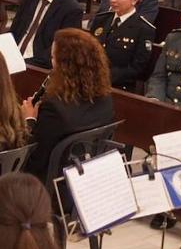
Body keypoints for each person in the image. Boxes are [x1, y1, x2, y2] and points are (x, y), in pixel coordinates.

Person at [23, 29, 115, 183]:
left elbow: (34, 161)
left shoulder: (54, 109)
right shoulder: (106, 100)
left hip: (48, 184)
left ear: (65, 66)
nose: (52, 64)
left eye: (53, 58)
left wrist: (29, 120)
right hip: (85, 176)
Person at [89, 0, 155, 91]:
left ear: (134, 0)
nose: (113, 0)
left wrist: (104, 76)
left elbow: (138, 67)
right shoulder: (101, 19)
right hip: (90, 80)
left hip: (117, 86)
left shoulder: (144, 29)